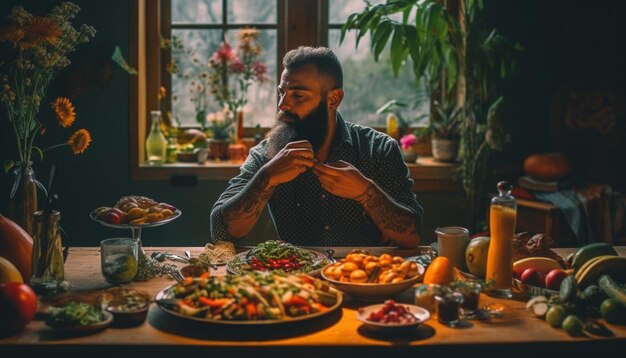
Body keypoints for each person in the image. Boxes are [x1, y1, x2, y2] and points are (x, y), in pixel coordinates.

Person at [210, 46, 423, 248]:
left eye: (298, 95)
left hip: (363, 277)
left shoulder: (378, 149)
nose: (283, 105)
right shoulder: (266, 155)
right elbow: (221, 233)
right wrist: (266, 178)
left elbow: (411, 235)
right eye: (281, 93)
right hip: (296, 278)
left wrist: (366, 193)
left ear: (333, 99)